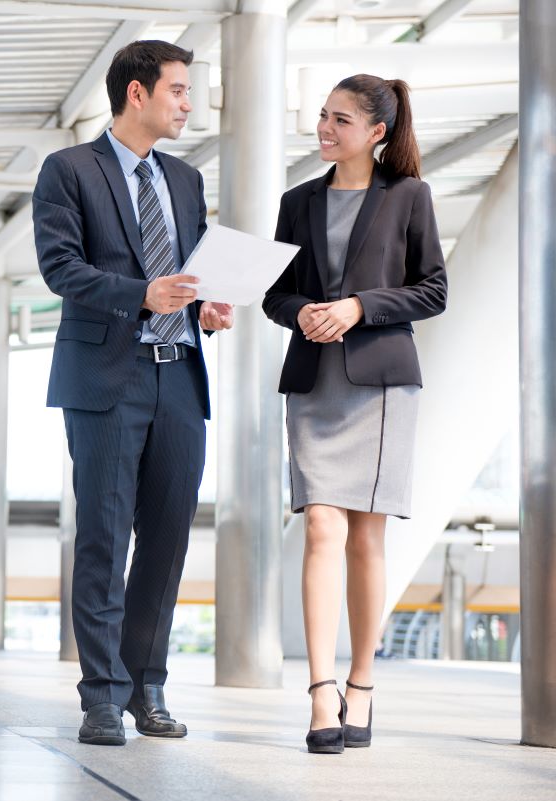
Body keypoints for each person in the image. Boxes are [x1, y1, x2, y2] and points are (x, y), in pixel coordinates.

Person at [32, 40, 233, 746]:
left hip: (178, 372)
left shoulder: (184, 179)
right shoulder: (69, 171)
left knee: (168, 538)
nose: (189, 104)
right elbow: (61, 269)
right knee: (104, 537)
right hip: (108, 377)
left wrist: (207, 304)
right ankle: (100, 695)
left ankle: (148, 685)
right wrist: (141, 295)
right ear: (137, 94)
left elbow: (196, 267)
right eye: (179, 90)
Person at [263, 75, 447, 754]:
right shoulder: (297, 201)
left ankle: (361, 683)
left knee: (367, 539)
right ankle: (319, 690)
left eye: (340, 119)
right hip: (315, 385)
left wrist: (360, 307)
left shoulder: (409, 197)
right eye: (321, 116)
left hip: (380, 387)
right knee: (320, 526)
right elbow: (276, 295)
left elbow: (433, 289)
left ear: (375, 132)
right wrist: (304, 310)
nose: (324, 128)